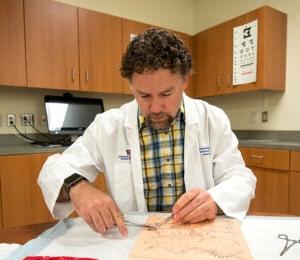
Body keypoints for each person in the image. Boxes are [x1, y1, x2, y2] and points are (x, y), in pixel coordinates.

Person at [38, 28, 256, 237]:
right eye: (144, 95)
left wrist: (215, 200)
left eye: (166, 93)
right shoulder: (109, 125)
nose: (155, 108)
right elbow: (54, 168)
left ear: (185, 81)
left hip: (196, 235)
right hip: (132, 239)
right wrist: (78, 187)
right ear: (131, 86)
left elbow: (240, 177)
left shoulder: (212, 119)